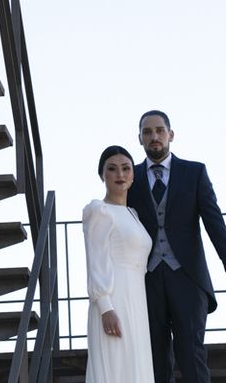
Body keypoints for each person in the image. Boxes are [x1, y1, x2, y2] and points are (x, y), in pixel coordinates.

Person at [127, 110, 226, 383]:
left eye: (159, 130)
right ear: (139, 139)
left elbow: (213, 219)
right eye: (147, 132)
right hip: (146, 279)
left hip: (188, 276)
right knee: (155, 360)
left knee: (191, 355)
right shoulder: (131, 178)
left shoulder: (194, 172)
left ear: (171, 135)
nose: (154, 137)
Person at [82, 145, 154, 382]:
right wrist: (105, 307)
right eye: (112, 169)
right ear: (103, 175)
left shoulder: (134, 214)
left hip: (138, 299)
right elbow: (96, 259)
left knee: (136, 367)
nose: (120, 174)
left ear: (133, 175)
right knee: (115, 366)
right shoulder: (99, 211)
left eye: (126, 168)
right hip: (114, 301)